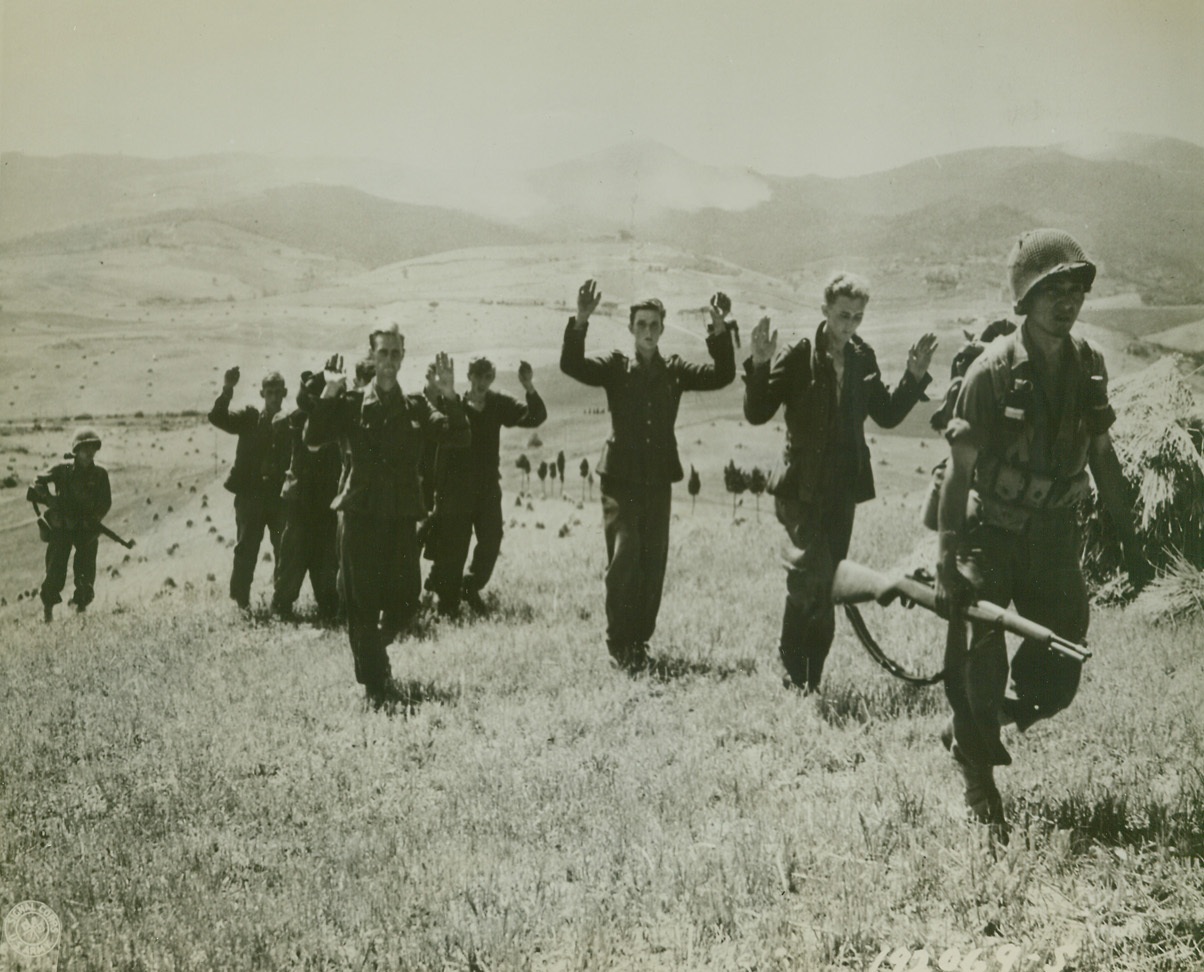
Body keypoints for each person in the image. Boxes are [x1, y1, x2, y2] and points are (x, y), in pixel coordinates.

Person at [933, 229, 1151, 836]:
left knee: (1060, 669)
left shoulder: (1090, 367)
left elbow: (1103, 457)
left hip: (1053, 535)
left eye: (1076, 288)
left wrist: (1129, 536)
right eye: (1054, 288)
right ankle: (978, 780)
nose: (1068, 300)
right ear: (1025, 298)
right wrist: (947, 557)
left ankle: (972, 728)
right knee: (980, 652)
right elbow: (959, 471)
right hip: (988, 534)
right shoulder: (991, 372)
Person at [743, 272, 937, 692]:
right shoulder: (798, 355)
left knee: (826, 582)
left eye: (857, 317)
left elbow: (885, 414)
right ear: (825, 310)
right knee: (810, 578)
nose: (849, 325)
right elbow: (757, 412)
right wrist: (758, 363)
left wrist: (913, 377)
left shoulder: (864, 358)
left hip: (842, 490)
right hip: (800, 488)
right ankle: (797, 672)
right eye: (843, 315)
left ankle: (808, 675)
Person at [561, 279, 736, 672]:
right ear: (630, 328)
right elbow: (571, 366)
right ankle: (618, 641)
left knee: (652, 561)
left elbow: (722, 375)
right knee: (625, 555)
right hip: (619, 479)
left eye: (654, 324)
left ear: (663, 326)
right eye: (641, 324)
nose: (648, 331)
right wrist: (581, 320)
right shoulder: (614, 367)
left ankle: (639, 641)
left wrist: (720, 329)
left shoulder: (674, 370)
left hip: (658, 479)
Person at [304, 327, 469, 706]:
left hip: (399, 517)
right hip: (359, 517)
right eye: (384, 353)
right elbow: (313, 439)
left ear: (403, 356)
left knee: (406, 599)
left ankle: (372, 650)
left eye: (396, 354)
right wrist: (328, 393)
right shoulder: (349, 403)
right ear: (373, 356)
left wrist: (449, 396)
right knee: (361, 605)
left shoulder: (414, 406)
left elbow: (458, 437)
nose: (390, 361)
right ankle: (376, 685)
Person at [425, 355, 547, 615]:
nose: (482, 382)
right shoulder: (453, 405)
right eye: (477, 375)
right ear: (468, 376)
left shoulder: (498, 402)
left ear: (492, 378)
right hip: (456, 491)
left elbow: (535, 417)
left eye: (488, 376)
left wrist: (528, 386)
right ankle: (445, 598)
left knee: (492, 540)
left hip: (488, 488)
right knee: (454, 549)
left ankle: (469, 586)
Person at [208, 368, 291, 609]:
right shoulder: (249, 418)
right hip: (250, 497)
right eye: (270, 392)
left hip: (279, 498)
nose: (274, 397)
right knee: (246, 550)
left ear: (284, 393)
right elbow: (218, 418)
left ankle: (281, 602)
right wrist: (227, 389)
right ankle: (240, 602)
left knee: (284, 550)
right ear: (262, 393)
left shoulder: (291, 423)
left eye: (278, 392)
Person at [270, 368, 343, 621]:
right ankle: (282, 606)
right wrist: (309, 403)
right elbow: (277, 421)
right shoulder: (297, 416)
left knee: (326, 561)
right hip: (300, 501)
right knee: (292, 557)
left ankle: (328, 605)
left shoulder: (335, 418)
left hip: (326, 501)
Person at [35, 429, 112, 622]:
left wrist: (94, 519)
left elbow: (105, 502)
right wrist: (49, 500)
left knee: (86, 571)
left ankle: (81, 611)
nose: (89, 453)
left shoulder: (100, 474)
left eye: (93, 448)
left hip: (86, 529)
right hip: (62, 528)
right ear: (76, 450)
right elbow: (36, 483)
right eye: (85, 448)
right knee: (55, 570)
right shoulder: (62, 469)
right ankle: (48, 614)